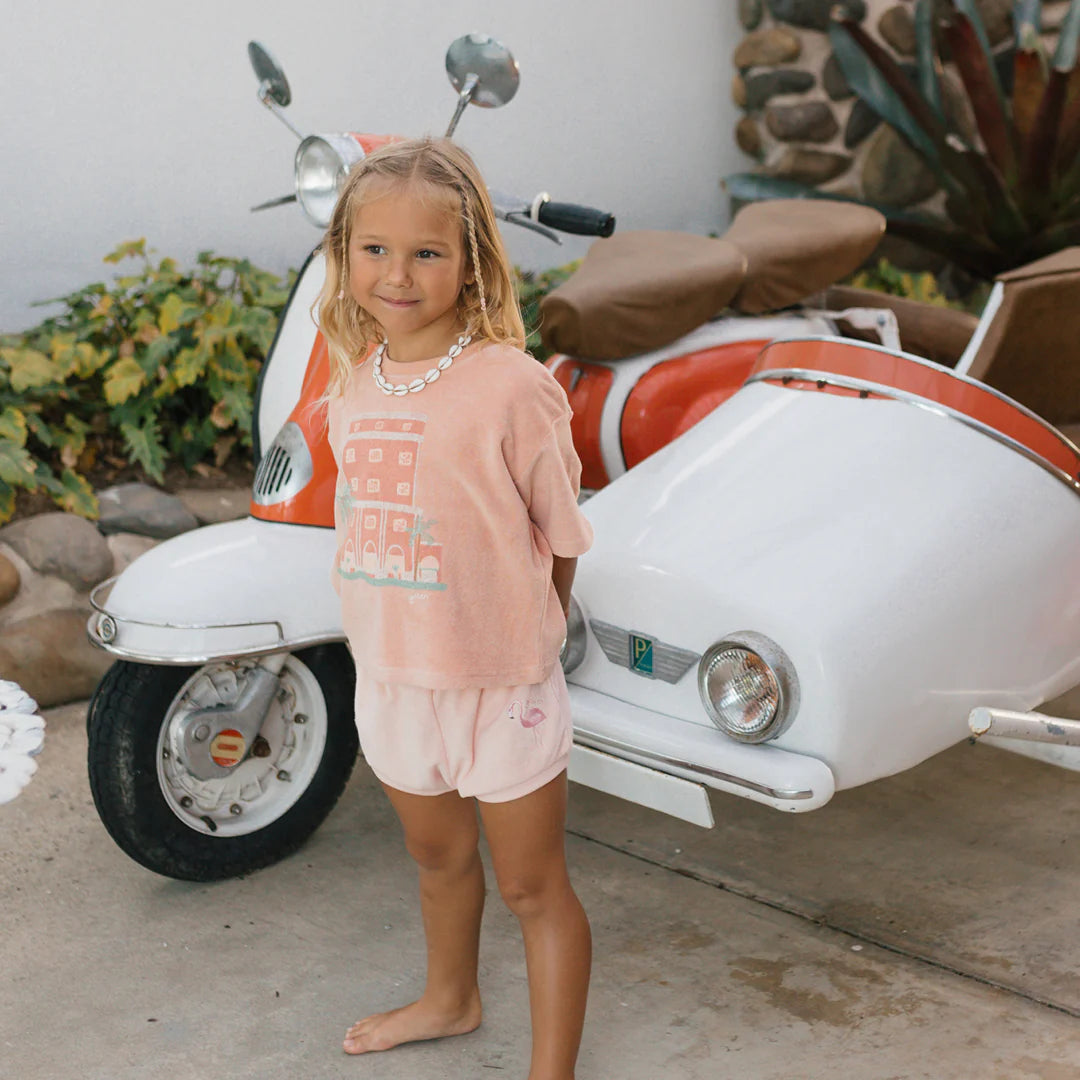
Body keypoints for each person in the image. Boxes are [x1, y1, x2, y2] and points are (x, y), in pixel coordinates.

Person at [318, 136, 594, 1080]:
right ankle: (450, 998)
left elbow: (559, 536)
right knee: (438, 863)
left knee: (531, 884)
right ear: (343, 256)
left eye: (427, 252)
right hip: (394, 680)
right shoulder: (351, 385)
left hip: (500, 685)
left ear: (471, 261)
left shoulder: (515, 387)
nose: (398, 274)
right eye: (375, 250)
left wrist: (534, 639)